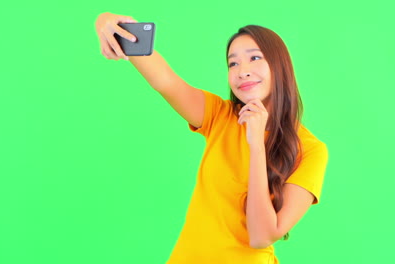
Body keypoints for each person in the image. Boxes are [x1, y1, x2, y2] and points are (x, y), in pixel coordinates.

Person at [95, 12, 329, 264]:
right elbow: (165, 81)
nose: (242, 71)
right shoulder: (221, 116)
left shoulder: (311, 150)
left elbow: (262, 237)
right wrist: (106, 21)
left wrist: (256, 145)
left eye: (255, 58)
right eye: (233, 63)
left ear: (280, 65)